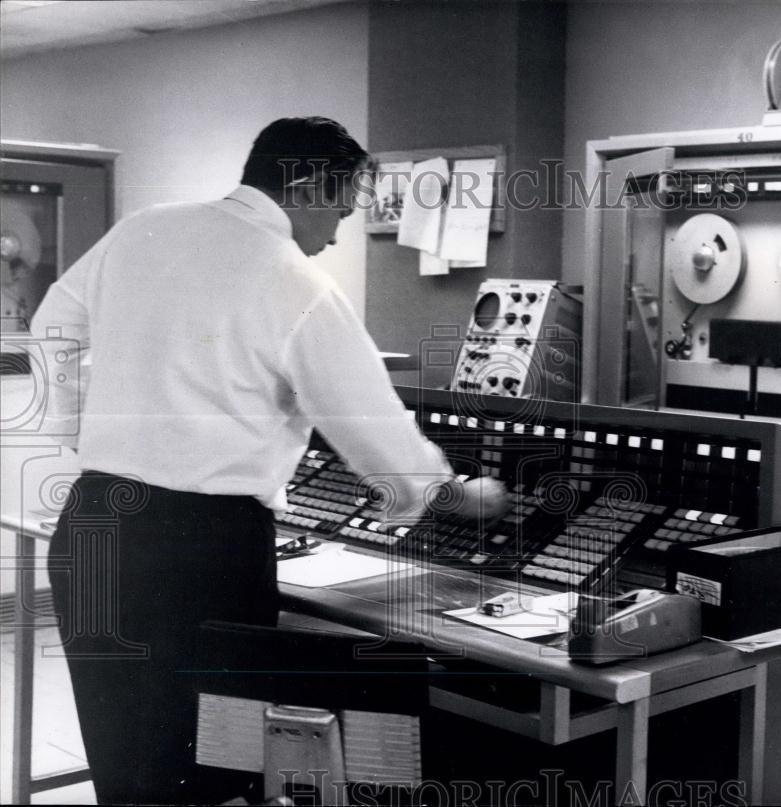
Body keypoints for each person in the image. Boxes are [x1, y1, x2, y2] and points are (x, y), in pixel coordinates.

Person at [30, 116, 508, 805]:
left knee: (126, 758)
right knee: (210, 769)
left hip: (95, 526)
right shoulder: (293, 280)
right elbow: (374, 429)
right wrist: (455, 494)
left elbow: (51, 324)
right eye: (340, 210)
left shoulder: (143, 229)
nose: (336, 234)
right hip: (197, 549)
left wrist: (76, 428)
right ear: (309, 185)